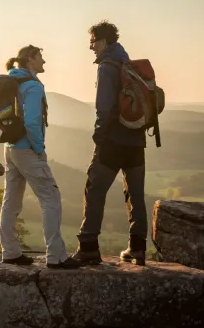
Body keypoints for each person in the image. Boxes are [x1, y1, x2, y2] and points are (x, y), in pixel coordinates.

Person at [71, 21, 148, 266]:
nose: (91, 46)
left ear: (104, 41)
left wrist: (98, 136)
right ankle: (137, 248)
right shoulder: (128, 63)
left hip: (113, 141)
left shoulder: (107, 67)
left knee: (94, 191)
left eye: (93, 41)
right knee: (135, 194)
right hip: (136, 140)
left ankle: (88, 247)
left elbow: (103, 109)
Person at [0, 45, 79, 269]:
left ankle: (10, 252)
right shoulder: (33, 86)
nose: (44, 61)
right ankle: (56, 256)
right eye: (41, 57)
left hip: (10, 147)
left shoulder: (12, 81)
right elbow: (33, 121)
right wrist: (39, 148)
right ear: (31, 59)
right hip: (27, 150)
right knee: (51, 199)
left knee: (11, 200)